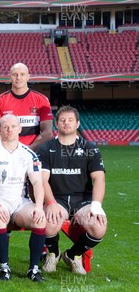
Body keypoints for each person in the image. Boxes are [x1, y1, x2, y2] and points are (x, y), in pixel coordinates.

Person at [38, 106, 107, 275]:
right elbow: (42, 180)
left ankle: (72, 255)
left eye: (70, 120)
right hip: (57, 198)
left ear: (77, 123)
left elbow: (99, 179)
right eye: (62, 120)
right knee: (47, 223)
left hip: (82, 200)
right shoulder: (46, 149)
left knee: (99, 227)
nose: (66, 123)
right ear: (56, 124)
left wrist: (96, 206)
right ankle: (53, 253)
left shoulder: (90, 148)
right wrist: (51, 203)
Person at [0, 114, 47, 282]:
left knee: (39, 219)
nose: (9, 130)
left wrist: (39, 206)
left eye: (13, 126)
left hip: (20, 202)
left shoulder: (29, 154)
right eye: (5, 127)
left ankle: (33, 269)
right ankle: (4, 267)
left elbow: (37, 182)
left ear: (20, 128)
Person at [0, 63, 53, 151]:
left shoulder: (42, 100)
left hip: (32, 152)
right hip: (7, 153)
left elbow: (47, 133)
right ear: (10, 77)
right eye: (15, 74)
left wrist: (29, 150)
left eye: (22, 74)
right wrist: (11, 150)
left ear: (28, 76)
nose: (18, 77)